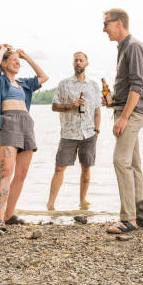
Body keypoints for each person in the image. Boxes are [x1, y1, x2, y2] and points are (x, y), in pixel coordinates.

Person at [0, 44, 48, 232]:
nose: (17, 62)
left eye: (18, 60)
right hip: (8, 122)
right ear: (4, 63)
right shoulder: (1, 81)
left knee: (21, 174)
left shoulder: (23, 83)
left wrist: (26, 56)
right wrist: (1, 50)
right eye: (12, 59)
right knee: (6, 170)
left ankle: (9, 215)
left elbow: (43, 77)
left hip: (26, 123)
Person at [102, 8, 143, 234]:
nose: (104, 29)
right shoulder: (123, 48)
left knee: (120, 161)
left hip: (132, 113)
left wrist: (123, 117)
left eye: (106, 24)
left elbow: (138, 86)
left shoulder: (134, 46)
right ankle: (140, 214)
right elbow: (129, 85)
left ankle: (128, 219)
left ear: (118, 23)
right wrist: (113, 102)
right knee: (133, 163)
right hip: (125, 109)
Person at [46, 52, 101, 211]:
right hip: (69, 134)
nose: (78, 63)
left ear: (86, 64)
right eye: (76, 60)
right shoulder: (64, 84)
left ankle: (83, 202)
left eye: (81, 60)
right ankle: (50, 204)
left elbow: (97, 110)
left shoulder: (94, 86)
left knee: (86, 167)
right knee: (59, 168)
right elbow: (54, 106)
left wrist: (97, 131)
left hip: (89, 134)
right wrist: (71, 105)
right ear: (73, 63)